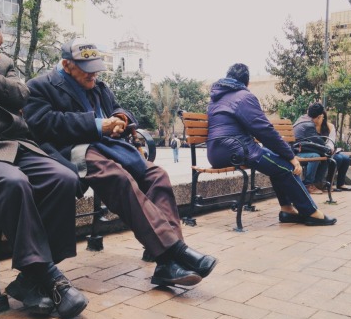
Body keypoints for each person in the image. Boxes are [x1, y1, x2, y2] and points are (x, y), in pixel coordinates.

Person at [24, 38, 217, 288]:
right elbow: (43, 124)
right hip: (73, 150)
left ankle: (166, 260)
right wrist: (96, 125)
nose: (93, 74)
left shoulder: (98, 86)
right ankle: (175, 251)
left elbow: (119, 108)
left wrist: (120, 118)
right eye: (86, 68)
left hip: (109, 147)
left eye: (95, 67)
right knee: (117, 176)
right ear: (66, 65)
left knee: (157, 175)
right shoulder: (40, 86)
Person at [0, 4, 87, 319]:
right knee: (13, 182)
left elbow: (20, 96)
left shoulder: (2, 63)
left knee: (63, 178)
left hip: (15, 145)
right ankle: (49, 279)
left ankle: (30, 280)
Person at [206, 63, 336, 226]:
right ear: (246, 82)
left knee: (277, 166)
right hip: (237, 149)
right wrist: (290, 157)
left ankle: (287, 210)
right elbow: (264, 131)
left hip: (216, 153)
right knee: (286, 167)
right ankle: (311, 212)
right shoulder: (243, 96)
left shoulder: (215, 99)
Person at [292, 103, 329, 194]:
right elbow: (317, 141)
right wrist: (327, 149)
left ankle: (317, 183)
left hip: (298, 149)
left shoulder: (303, 118)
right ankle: (308, 184)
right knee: (315, 156)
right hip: (296, 152)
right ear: (320, 116)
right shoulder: (308, 124)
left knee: (324, 156)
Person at [318, 111, 351, 192]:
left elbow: (331, 143)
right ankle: (329, 183)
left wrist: (329, 149)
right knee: (338, 158)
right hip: (321, 151)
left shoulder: (329, 126)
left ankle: (340, 183)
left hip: (328, 150)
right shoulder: (312, 125)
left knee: (346, 159)